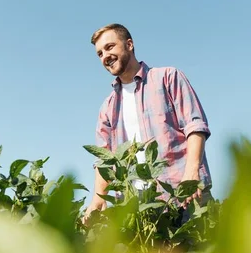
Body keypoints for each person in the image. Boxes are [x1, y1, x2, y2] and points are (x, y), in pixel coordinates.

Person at [82, 23, 213, 222]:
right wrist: (98, 198)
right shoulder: (107, 108)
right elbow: (104, 159)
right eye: (99, 53)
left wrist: (191, 172)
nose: (105, 56)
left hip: (184, 195)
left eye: (109, 47)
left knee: (202, 252)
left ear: (129, 44)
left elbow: (195, 126)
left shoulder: (167, 78)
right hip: (140, 210)